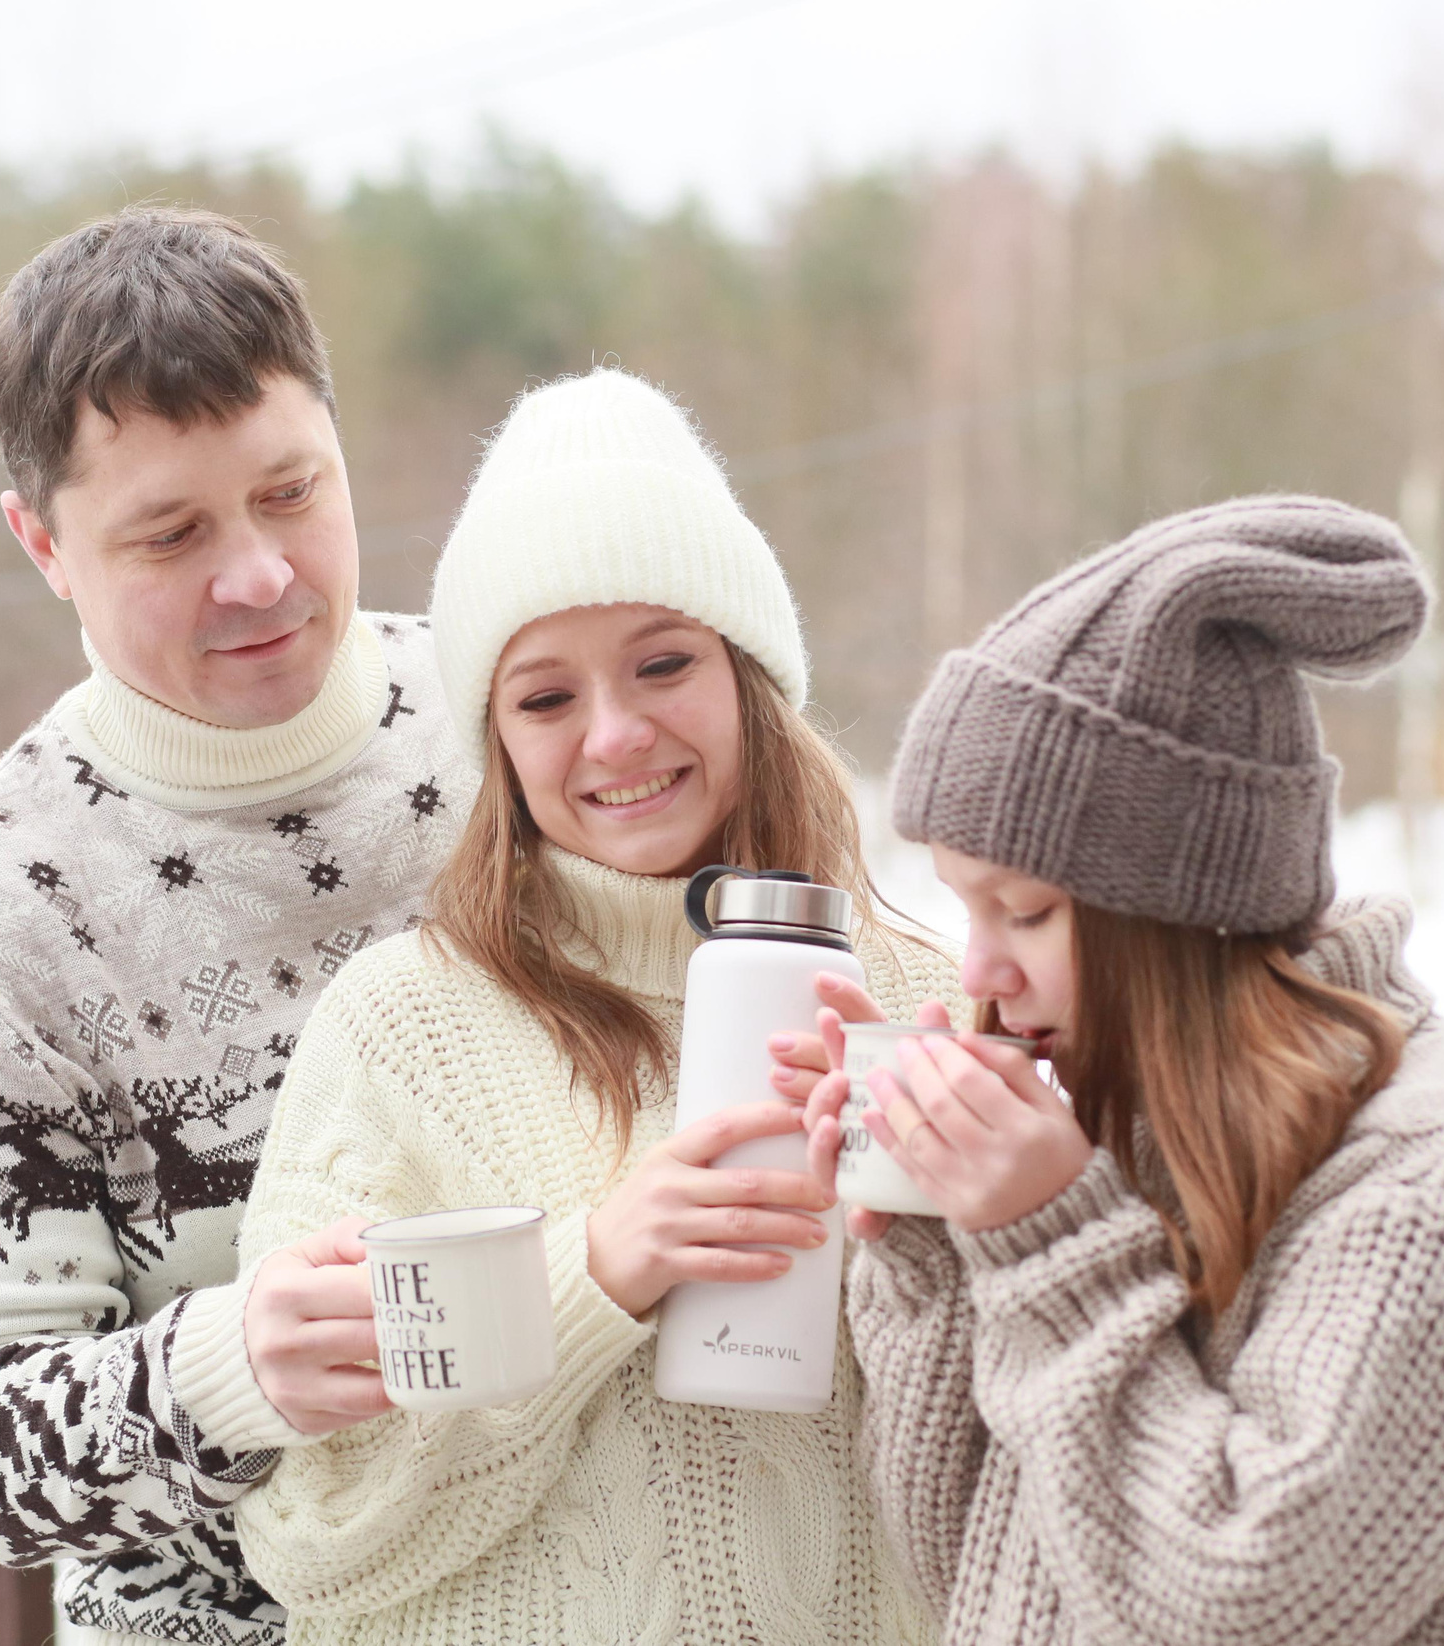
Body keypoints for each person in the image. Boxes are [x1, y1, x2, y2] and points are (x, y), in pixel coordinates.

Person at [227, 368, 954, 1645]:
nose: (614, 736)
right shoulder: (399, 1033)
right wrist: (595, 1277)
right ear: (495, 740)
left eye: (662, 663)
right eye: (547, 696)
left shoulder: (921, 1000)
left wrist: (983, 1239)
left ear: (746, 677)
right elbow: (313, 1545)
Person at [772, 498, 1444, 1645]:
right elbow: (975, 1570)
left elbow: (1242, 1599)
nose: (980, 969)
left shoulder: (1426, 1170)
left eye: (1028, 911)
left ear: (1182, 909)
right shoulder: (1117, 1122)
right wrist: (936, 1232)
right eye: (965, 907)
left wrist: (1048, 1240)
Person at [0, 207, 476, 1645]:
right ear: (42, 544)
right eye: (170, 533)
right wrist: (227, 1367)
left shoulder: (525, 724)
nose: (254, 573)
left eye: (291, 492)